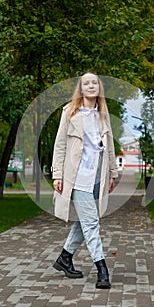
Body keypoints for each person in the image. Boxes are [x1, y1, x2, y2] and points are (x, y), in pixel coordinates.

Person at [52, 72, 118, 289]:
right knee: (91, 223)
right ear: (80, 89)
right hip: (77, 177)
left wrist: (113, 173)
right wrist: (57, 174)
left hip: (98, 177)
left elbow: (109, 148)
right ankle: (102, 269)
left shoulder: (103, 115)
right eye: (86, 83)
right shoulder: (70, 113)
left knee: (86, 220)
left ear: (99, 87)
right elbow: (60, 144)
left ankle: (65, 257)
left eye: (95, 82)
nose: (91, 86)